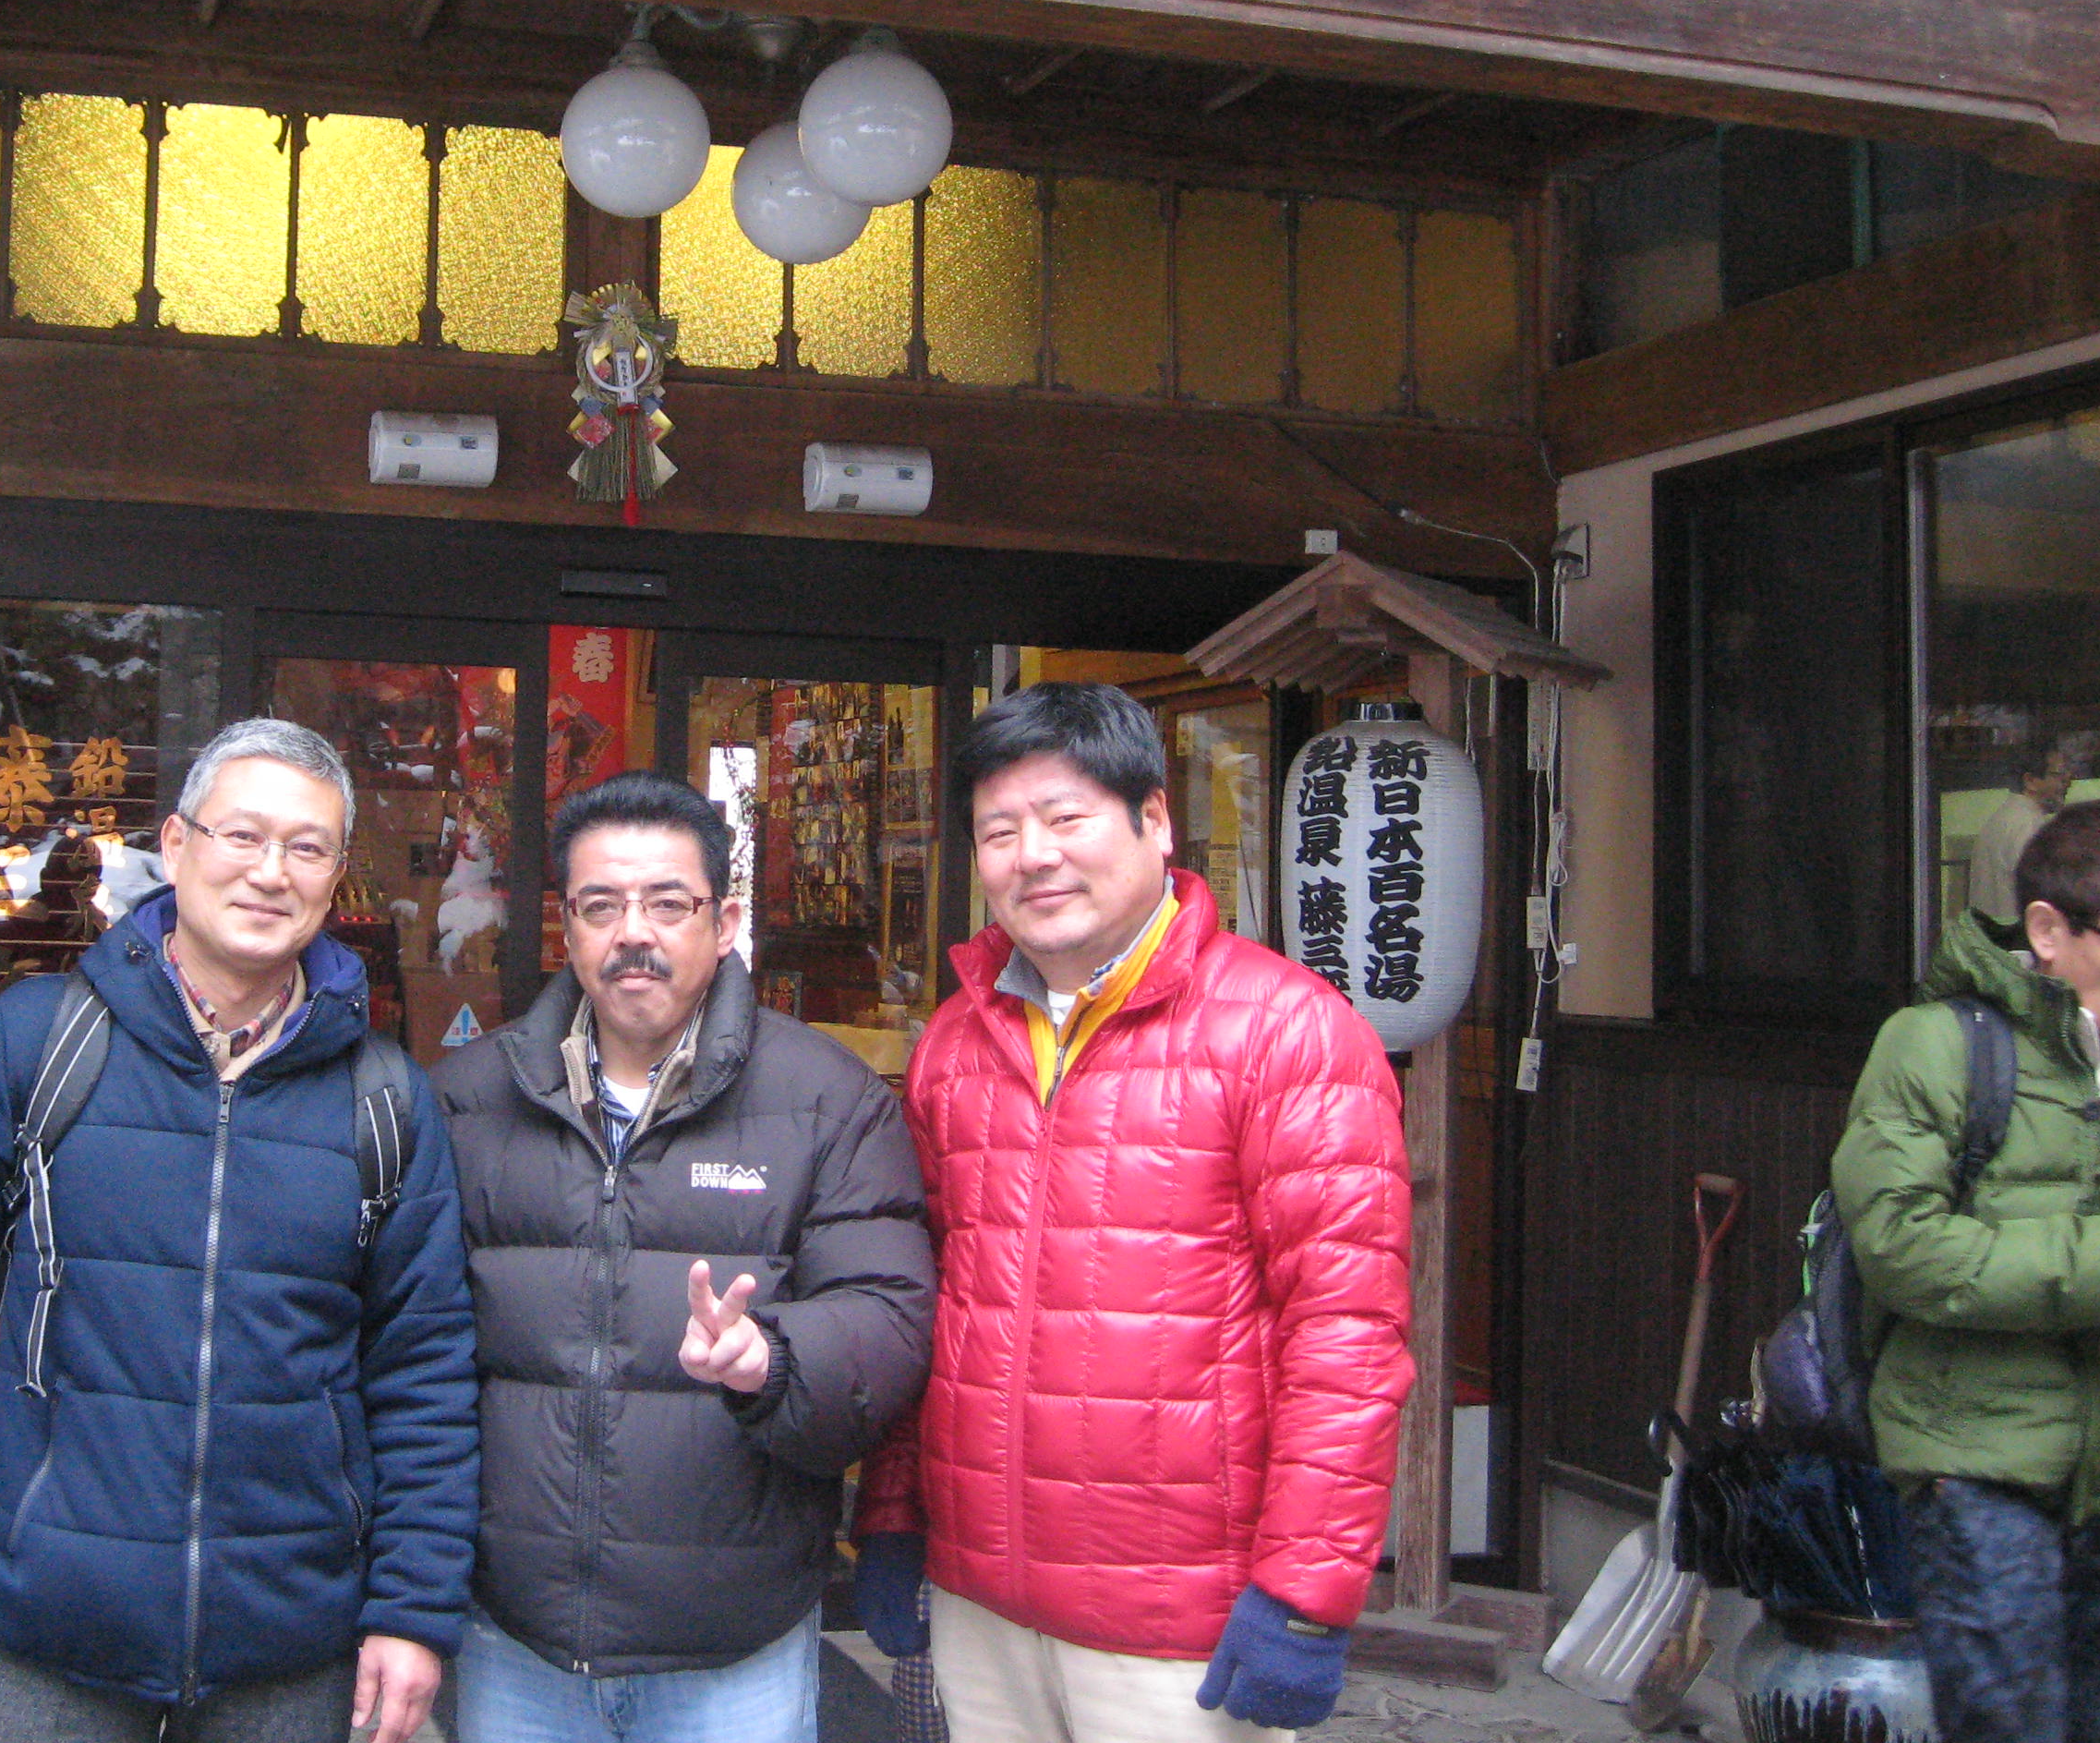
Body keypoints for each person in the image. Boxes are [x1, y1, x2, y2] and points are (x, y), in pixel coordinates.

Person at [0, 719, 478, 1743]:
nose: (270, 872)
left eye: (307, 848)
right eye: (242, 836)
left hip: (289, 1643)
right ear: (175, 845)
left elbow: (423, 1369)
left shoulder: (383, 1099)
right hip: (55, 1625)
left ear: (335, 875)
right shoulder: (40, 1042)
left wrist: (412, 1610)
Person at [852, 683, 1413, 1743]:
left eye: (1067, 818)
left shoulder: (1287, 1032)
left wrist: (1305, 1595)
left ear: (1155, 819)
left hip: (1181, 1623)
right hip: (981, 1600)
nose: (1034, 856)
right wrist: (893, 1514)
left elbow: (1346, 1333)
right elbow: (922, 1303)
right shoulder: (955, 1045)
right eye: (1000, 832)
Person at [432, 769, 935, 1741]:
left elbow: (888, 1313)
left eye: (669, 904)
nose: (635, 934)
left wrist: (774, 1362)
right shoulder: (469, 1100)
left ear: (725, 920)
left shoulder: (827, 1100)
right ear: (566, 926)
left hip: (732, 1638)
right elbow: (411, 1352)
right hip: (516, 1632)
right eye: (602, 906)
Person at [1835, 798, 2100, 1743]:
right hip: (1977, 1460)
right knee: (2012, 1722)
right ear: (2049, 931)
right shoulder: (1940, 1044)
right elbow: (1900, 1246)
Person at [1967, 744, 2075, 926]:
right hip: (2018, 937)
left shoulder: (2003, 817)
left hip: (1994, 936)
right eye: (2059, 775)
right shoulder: (2028, 825)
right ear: (2030, 781)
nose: (2068, 781)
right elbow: (2043, 893)